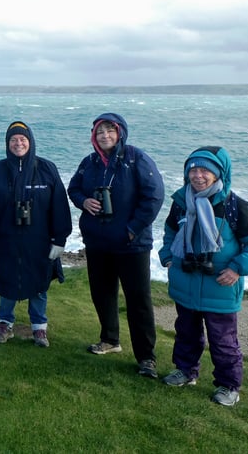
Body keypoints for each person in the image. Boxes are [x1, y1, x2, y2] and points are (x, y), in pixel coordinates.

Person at [158, 146, 248, 406]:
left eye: (205, 170)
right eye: (193, 171)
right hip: (185, 284)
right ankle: (186, 372)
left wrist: (236, 268)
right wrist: (167, 257)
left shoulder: (234, 206)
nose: (198, 176)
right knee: (185, 333)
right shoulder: (180, 202)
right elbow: (170, 234)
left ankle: (229, 385)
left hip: (220, 288)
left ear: (218, 173)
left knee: (223, 341)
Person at [67, 113, 164, 378]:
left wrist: (133, 230)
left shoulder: (136, 158)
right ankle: (110, 340)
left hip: (132, 244)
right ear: (94, 136)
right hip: (98, 242)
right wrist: (84, 201)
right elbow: (73, 188)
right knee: (102, 293)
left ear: (120, 132)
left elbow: (154, 196)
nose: (105, 136)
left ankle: (146, 357)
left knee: (138, 300)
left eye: (110, 131)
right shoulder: (90, 162)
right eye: (100, 132)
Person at [0, 121, 72, 347]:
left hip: (39, 240)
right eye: (13, 140)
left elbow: (60, 205)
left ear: (30, 142)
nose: (18, 143)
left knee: (39, 284)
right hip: (6, 239)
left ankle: (39, 328)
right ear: (7, 143)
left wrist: (59, 239)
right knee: (7, 282)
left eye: (22, 139)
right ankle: (5, 325)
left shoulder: (46, 168)